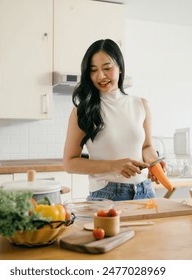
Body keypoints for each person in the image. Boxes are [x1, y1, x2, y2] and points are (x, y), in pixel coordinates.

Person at [63, 39, 164, 201]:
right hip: (107, 195)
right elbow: (69, 163)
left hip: (146, 191)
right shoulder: (82, 111)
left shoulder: (141, 104)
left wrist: (154, 162)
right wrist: (114, 165)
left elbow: (147, 146)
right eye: (93, 70)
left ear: (120, 68)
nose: (100, 76)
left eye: (107, 68)